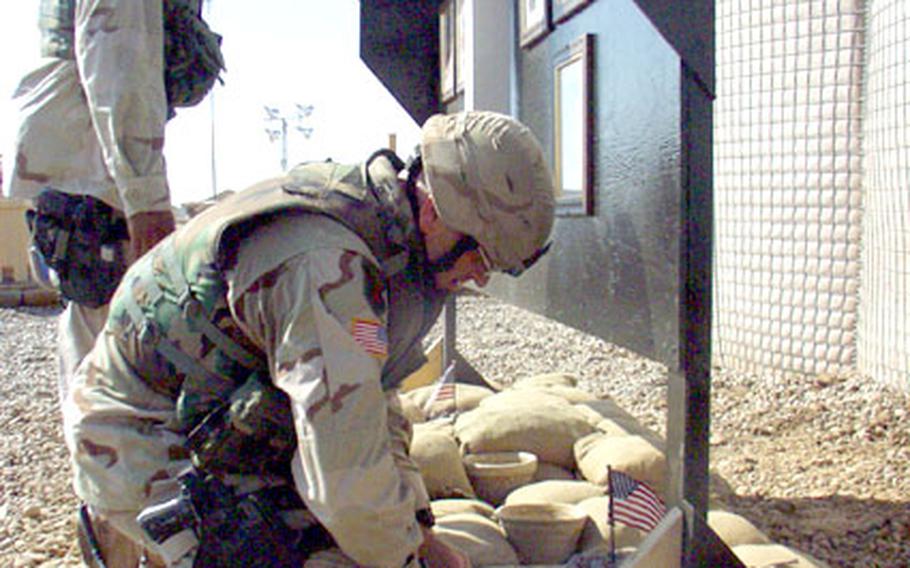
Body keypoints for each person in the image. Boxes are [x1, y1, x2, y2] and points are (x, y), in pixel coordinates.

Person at [63, 110, 556, 567]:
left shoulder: (397, 248)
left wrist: (420, 534)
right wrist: (405, 558)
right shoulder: (326, 269)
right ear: (433, 212)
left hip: (235, 422)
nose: (481, 277)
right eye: (480, 258)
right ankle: (124, 537)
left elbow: (372, 409)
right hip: (141, 434)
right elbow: (346, 484)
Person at [3, 0, 222, 404]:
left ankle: (99, 452)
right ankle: (104, 457)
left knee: (98, 332)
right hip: (92, 161)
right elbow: (120, 74)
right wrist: (146, 202)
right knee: (111, 354)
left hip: (86, 156)